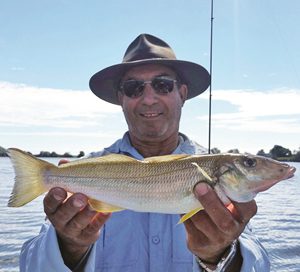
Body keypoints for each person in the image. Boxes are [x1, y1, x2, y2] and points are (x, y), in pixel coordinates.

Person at [20, 34, 270, 272]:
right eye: (133, 88)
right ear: (121, 98)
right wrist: (68, 245)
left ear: (182, 94)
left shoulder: (219, 173)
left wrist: (221, 256)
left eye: (162, 85)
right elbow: (30, 266)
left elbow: (260, 264)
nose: (149, 99)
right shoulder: (85, 171)